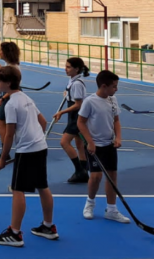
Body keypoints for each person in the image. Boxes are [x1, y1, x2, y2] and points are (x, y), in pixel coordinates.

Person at [0, 66, 58, 247]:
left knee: (18, 189)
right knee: (42, 186)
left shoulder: (11, 104)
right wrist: (35, 140)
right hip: (40, 147)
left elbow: (9, 135)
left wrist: (3, 158)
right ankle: (48, 226)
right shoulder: (26, 98)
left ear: (7, 83)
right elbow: (43, 122)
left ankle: (14, 233)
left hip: (27, 151)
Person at [77, 70, 130, 223]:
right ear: (104, 86)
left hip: (109, 144)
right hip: (95, 146)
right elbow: (80, 122)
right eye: (114, 86)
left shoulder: (113, 100)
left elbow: (116, 121)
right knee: (96, 177)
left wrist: (118, 137)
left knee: (112, 177)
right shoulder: (89, 101)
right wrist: (90, 142)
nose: (116, 89)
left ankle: (112, 210)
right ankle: (90, 203)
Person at [53, 57, 91, 183]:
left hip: (77, 117)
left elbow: (78, 104)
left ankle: (79, 170)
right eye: (66, 66)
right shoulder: (72, 81)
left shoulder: (77, 84)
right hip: (74, 116)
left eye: (68, 67)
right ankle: (84, 172)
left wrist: (61, 112)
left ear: (77, 69)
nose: (66, 69)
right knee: (79, 144)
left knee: (64, 142)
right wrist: (67, 94)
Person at [0, 41, 21, 160]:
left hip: (8, 96)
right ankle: (6, 149)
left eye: (0, 49)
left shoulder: (12, 68)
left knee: (3, 122)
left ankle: (6, 150)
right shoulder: (11, 66)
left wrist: (2, 98)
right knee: (2, 122)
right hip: (7, 96)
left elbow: (13, 88)